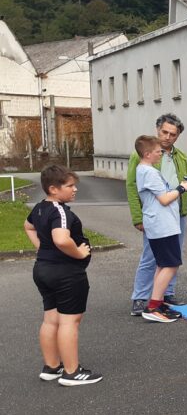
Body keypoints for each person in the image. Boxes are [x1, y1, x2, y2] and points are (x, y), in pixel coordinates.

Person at [23, 165, 102, 386]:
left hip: (43, 270)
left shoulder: (39, 208)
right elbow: (61, 239)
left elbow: (27, 227)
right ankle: (72, 372)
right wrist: (79, 253)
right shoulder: (60, 211)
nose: (75, 189)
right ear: (53, 189)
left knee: (51, 319)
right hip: (65, 273)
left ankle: (52, 367)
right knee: (70, 321)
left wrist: (41, 248)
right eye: (70, 186)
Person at [126, 114, 187, 316]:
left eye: (172, 134)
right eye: (164, 132)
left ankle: (166, 295)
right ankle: (141, 297)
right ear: (158, 130)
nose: (167, 137)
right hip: (157, 214)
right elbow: (131, 186)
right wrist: (137, 217)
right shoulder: (144, 156)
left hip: (177, 212)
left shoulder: (180, 156)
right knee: (152, 258)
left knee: (172, 256)